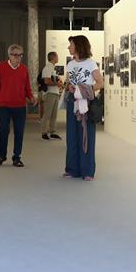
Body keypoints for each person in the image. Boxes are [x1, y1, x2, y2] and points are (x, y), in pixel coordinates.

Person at [63, 36, 102, 180]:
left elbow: (100, 83)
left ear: (78, 46)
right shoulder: (70, 64)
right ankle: (72, 169)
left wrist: (84, 89)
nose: (69, 47)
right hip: (72, 101)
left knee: (87, 135)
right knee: (71, 135)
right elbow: (67, 83)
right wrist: (70, 87)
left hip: (86, 102)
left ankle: (87, 171)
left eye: (71, 45)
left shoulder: (91, 64)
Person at [0, 44, 36, 167]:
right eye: (16, 55)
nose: (18, 58)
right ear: (9, 55)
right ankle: (1, 156)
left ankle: (17, 157)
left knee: (19, 132)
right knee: (3, 131)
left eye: (20, 55)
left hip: (20, 106)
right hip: (4, 105)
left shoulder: (24, 69)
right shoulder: (1, 67)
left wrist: (31, 97)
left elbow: (27, 87)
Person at [39, 52, 63, 140]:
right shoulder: (48, 67)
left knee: (54, 114)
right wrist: (58, 84)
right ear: (54, 57)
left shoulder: (53, 68)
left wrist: (58, 84)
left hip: (54, 93)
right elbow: (46, 81)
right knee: (47, 114)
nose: (58, 58)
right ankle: (44, 132)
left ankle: (53, 131)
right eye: (57, 56)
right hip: (50, 93)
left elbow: (53, 80)